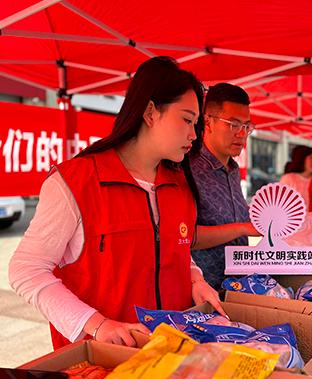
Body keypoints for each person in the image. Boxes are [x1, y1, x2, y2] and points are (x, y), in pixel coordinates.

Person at [9, 56, 225, 349]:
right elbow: (26, 270)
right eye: (187, 119)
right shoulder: (76, 182)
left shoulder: (178, 184)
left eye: (196, 124)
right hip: (105, 363)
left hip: (174, 354)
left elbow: (176, 250)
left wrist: (195, 281)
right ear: (150, 112)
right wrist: (97, 324)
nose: (193, 134)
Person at [186, 83, 260, 291]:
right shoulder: (188, 169)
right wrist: (243, 228)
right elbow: (186, 237)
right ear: (208, 122)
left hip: (239, 289)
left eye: (246, 126)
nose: (242, 134)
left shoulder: (233, 169)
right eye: (233, 124)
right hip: (202, 292)